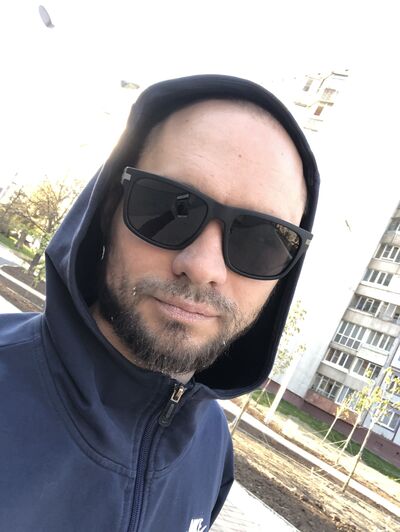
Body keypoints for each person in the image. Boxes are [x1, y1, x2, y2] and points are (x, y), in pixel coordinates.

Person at [0, 75, 319, 531]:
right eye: (171, 207)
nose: (203, 266)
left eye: (263, 239)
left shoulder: (212, 451)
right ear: (108, 208)